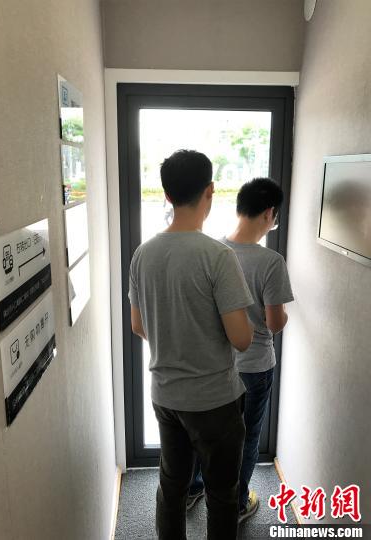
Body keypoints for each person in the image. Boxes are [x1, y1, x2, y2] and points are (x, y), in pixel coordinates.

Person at [128, 149, 255, 540]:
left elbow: (138, 326)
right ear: (209, 191)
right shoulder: (218, 256)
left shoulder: (143, 254)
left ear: (167, 194)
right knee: (222, 494)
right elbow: (242, 339)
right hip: (214, 400)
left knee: (172, 487)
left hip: (166, 396)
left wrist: (176, 337)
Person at [188, 178, 294, 524]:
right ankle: (235, 504)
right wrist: (285, 314)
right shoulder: (271, 262)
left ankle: (193, 488)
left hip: (216, 363)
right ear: (269, 213)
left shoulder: (212, 251)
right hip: (254, 366)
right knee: (245, 438)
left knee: (206, 434)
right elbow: (274, 323)